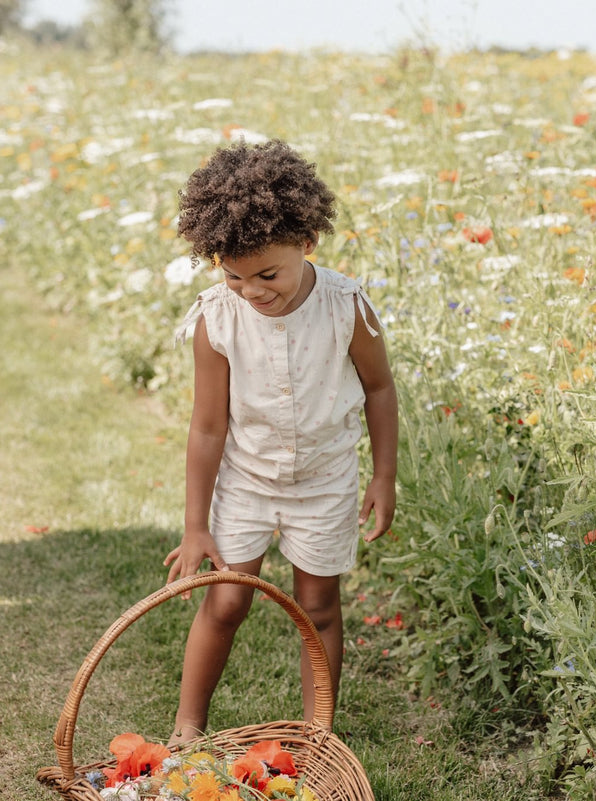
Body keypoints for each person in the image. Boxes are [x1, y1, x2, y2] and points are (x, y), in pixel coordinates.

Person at [163, 140, 397, 746]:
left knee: (318, 608)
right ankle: (188, 726)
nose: (251, 291)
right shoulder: (218, 318)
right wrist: (196, 526)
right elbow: (208, 426)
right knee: (226, 601)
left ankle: (318, 733)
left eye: (267, 274)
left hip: (325, 482)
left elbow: (379, 388)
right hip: (245, 481)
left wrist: (383, 476)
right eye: (233, 275)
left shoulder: (347, 307)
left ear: (307, 243)